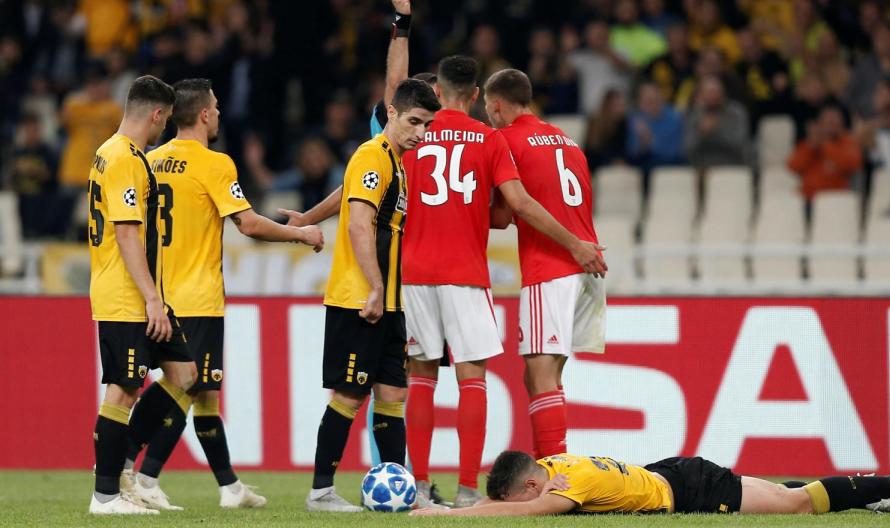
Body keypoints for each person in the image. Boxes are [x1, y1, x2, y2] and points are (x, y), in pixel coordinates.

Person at [402, 56, 607, 509]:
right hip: (552, 263)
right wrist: (578, 243)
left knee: (423, 375)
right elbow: (521, 202)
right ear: (475, 95)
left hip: (424, 269)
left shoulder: (413, 135)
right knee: (483, 377)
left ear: (437, 92)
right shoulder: (562, 140)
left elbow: (505, 211)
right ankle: (469, 489)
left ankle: (421, 485)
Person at [122, 78, 324, 511]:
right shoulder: (214, 163)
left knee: (203, 391)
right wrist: (301, 233)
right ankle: (131, 466)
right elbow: (247, 224)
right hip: (197, 296)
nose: (218, 113)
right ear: (204, 114)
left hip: (157, 293)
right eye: (215, 107)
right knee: (185, 383)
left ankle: (227, 486)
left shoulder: (150, 161)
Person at [305, 78, 440, 513]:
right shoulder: (372, 156)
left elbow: (348, 198)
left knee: (393, 395)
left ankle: (402, 491)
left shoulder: (396, 163)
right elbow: (358, 224)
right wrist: (376, 287)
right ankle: (321, 492)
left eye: (427, 125)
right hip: (360, 300)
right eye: (414, 122)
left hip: (391, 303)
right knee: (349, 395)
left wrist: (307, 217)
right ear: (392, 114)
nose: (421, 133)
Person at [484, 69, 607, 460]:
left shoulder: (506, 139)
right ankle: (548, 465)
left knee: (540, 375)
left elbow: (507, 213)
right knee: (544, 376)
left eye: (487, 108)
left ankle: (554, 472)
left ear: (497, 106)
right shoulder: (566, 140)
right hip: (587, 267)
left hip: (551, 266)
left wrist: (455, 210)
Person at [87, 75, 195, 515]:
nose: (164, 128)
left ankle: (123, 465)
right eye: (165, 120)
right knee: (123, 391)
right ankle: (105, 496)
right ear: (156, 114)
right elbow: (127, 233)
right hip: (126, 294)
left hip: (140, 292)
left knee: (185, 374)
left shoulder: (109, 152)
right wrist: (152, 299)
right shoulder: (125, 158)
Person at [410, 450, 890, 517]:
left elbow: (528, 513)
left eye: (508, 499)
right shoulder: (551, 465)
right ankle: (879, 500)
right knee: (768, 495)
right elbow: (520, 504)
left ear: (531, 486)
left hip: (687, 490)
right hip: (668, 475)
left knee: (792, 505)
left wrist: (450, 515)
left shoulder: (566, 487)